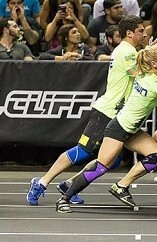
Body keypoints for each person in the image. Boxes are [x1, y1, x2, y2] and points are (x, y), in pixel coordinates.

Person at [55, 43, 157, 213]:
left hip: (131, 131)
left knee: (156, 157)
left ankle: (121, 186)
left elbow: (140, 62)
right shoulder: (156, 84)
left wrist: (154, 47)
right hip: (118, 129)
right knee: (101, 166)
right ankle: (63, 199)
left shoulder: (142, 73)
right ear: (154, 64)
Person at [26, 15, 146, 206]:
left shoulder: (128, 50)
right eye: (141, 30)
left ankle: (70, 184)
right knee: (82, 151)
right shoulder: (127, 52)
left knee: (111, 161)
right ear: (129, 33)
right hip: (107, 112)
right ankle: (41, 182)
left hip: (121, 115)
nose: (144, 33)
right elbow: (142, 75)